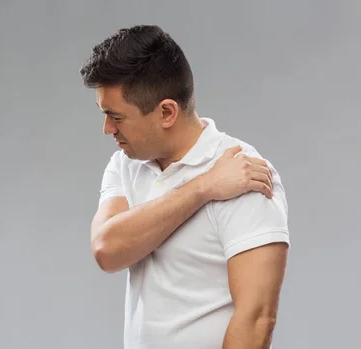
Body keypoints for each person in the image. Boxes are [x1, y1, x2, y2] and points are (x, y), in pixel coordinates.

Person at [79, 24, 290, 349]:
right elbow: (107, 250)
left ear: (166, 112)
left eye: (116, 117)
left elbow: (257, 319)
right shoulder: (125, 164)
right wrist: (203, 187)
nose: (107, 129)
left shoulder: (245, 171)